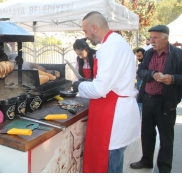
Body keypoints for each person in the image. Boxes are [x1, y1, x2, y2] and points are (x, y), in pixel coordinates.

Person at [72, 11, 141, 173]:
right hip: (120, 110)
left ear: (94, 27)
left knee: (109, 166)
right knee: (115, 162)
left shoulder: (109, 47)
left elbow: (99, 89)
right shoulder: (117, 41)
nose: (86, 36)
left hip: (113, 116)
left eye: (85, 31)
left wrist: (79, 87)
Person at [130, 25, 182, 173]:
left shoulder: (178, 54)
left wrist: (172, 79)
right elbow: (141, 71)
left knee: (166, 138)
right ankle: (146, 160)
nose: (151, 41)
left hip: (166, 102)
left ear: (165, 38)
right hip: (148, 99)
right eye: (150, 37)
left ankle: (164, 169)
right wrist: (152, 74)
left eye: (155, 38)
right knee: (147, 132)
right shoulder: (148, 54)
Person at [135, 48, 146, 115]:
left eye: (139, 56)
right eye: (137, 56)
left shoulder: (146, 65)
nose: (138, 58)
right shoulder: (140, 65)